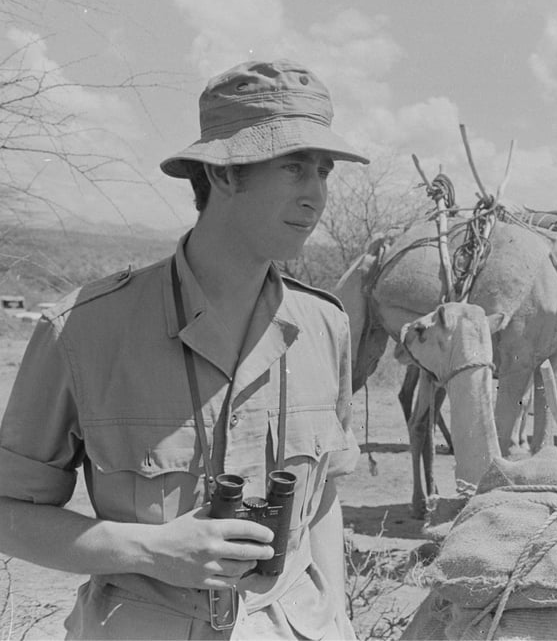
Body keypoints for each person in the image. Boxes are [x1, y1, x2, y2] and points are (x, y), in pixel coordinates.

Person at [0, 59, 369, 639]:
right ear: (223, 175)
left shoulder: (325, 326)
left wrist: (340, 620)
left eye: (324, 172)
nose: (316, 195)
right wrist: (147, 549)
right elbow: (9, 515)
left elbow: (322, 500)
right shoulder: (83, 331)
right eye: (295, 168)